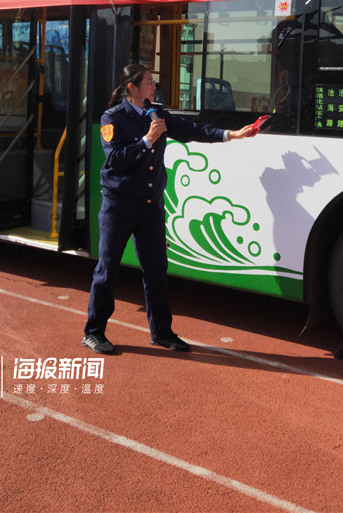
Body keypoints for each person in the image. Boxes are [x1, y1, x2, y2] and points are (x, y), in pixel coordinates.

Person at [82, 63, 261, 354]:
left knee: (156, 271)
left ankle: (162, 333)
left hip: (150, 204)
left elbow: (192, 129)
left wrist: (232, 135)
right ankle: (94, 331)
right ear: (132, 88)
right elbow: (114, 160)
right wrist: (147, 139)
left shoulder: (158, 112)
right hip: (119, 204)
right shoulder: (111, 117)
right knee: (108, 269)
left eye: (154, 82)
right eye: (150, 82)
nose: (155, 87)